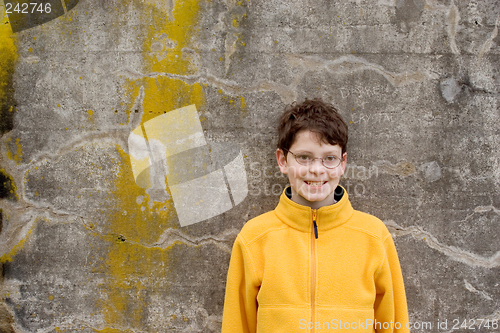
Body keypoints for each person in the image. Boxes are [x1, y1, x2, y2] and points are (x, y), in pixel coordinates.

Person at [221, 99, 410, 332]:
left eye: (329, 158)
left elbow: (394, 325)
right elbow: (237, 325)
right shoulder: (255, 237)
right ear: (282, 161)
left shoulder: (373, 236)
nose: (317, 169)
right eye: (304, 157)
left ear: (343, 163)